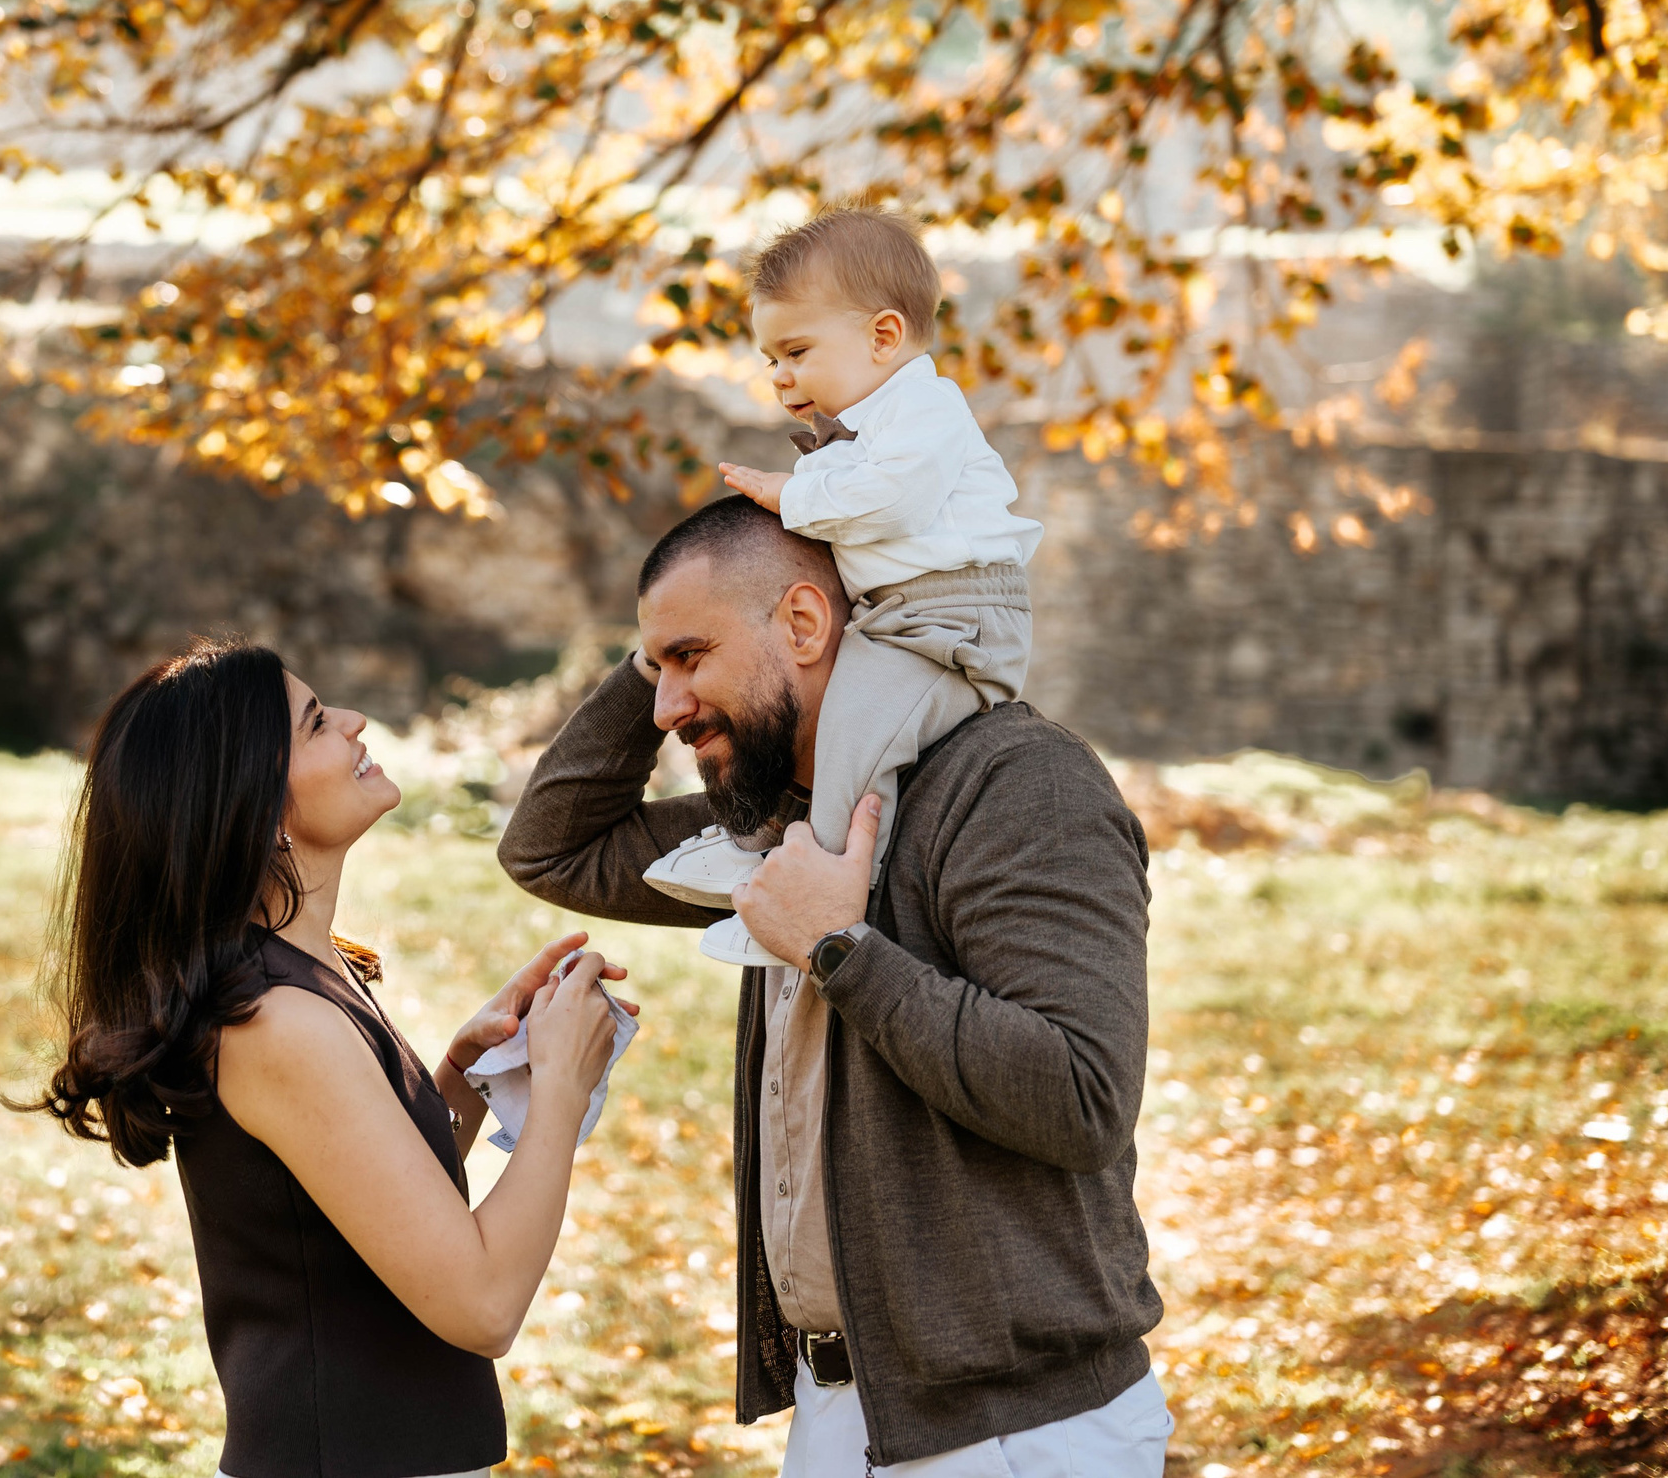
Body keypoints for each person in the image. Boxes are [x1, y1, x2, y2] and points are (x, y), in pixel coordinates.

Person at [498, 499, 1168, 1476]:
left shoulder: (1015, 781)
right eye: (657, 667)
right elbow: (555, 847)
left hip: (1012, 1435)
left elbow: (1081, 1095)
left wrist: (836, 946)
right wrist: (652, 652)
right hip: (841, 1411)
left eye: (689, 655)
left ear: (806, 625)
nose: (666, 707)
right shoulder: (779, 822)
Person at [19, 638, 632, 1478]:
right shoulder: (276, 1020)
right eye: (315, 723)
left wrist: (462, 1076)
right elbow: (482, 1305)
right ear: (257, 804)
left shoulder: (301, 975)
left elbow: (361, 1220)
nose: (354, 721)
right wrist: (558, 1085)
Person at [646, 206, 1042, 969]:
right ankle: (766, 843)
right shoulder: (862, 430)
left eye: (796, 349)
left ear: (883, 337)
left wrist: (788, 495)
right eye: (770, 357)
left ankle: (816, 892)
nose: (780, 374)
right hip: (900, 611)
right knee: (812, 716)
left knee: (859, 733)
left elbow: (893, 502)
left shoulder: (926, 413)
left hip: (955, 615)